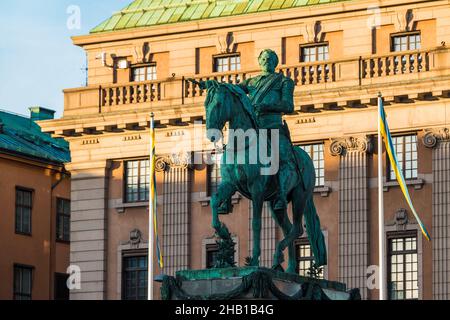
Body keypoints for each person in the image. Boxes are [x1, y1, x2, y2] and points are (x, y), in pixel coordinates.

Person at [190, 49, 296, 211]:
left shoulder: (284, 82)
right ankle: (228, 192)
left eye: (270, 59)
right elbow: (232, 90)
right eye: (264, 59)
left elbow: (288, 106)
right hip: (253, 127)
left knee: (282, 153)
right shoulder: (251, 82)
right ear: (259, 62)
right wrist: (209, 85)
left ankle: (281, 193)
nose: (266, 61)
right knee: (232, 152)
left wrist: (265, 106)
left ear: (275, 63)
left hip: (273, 126)